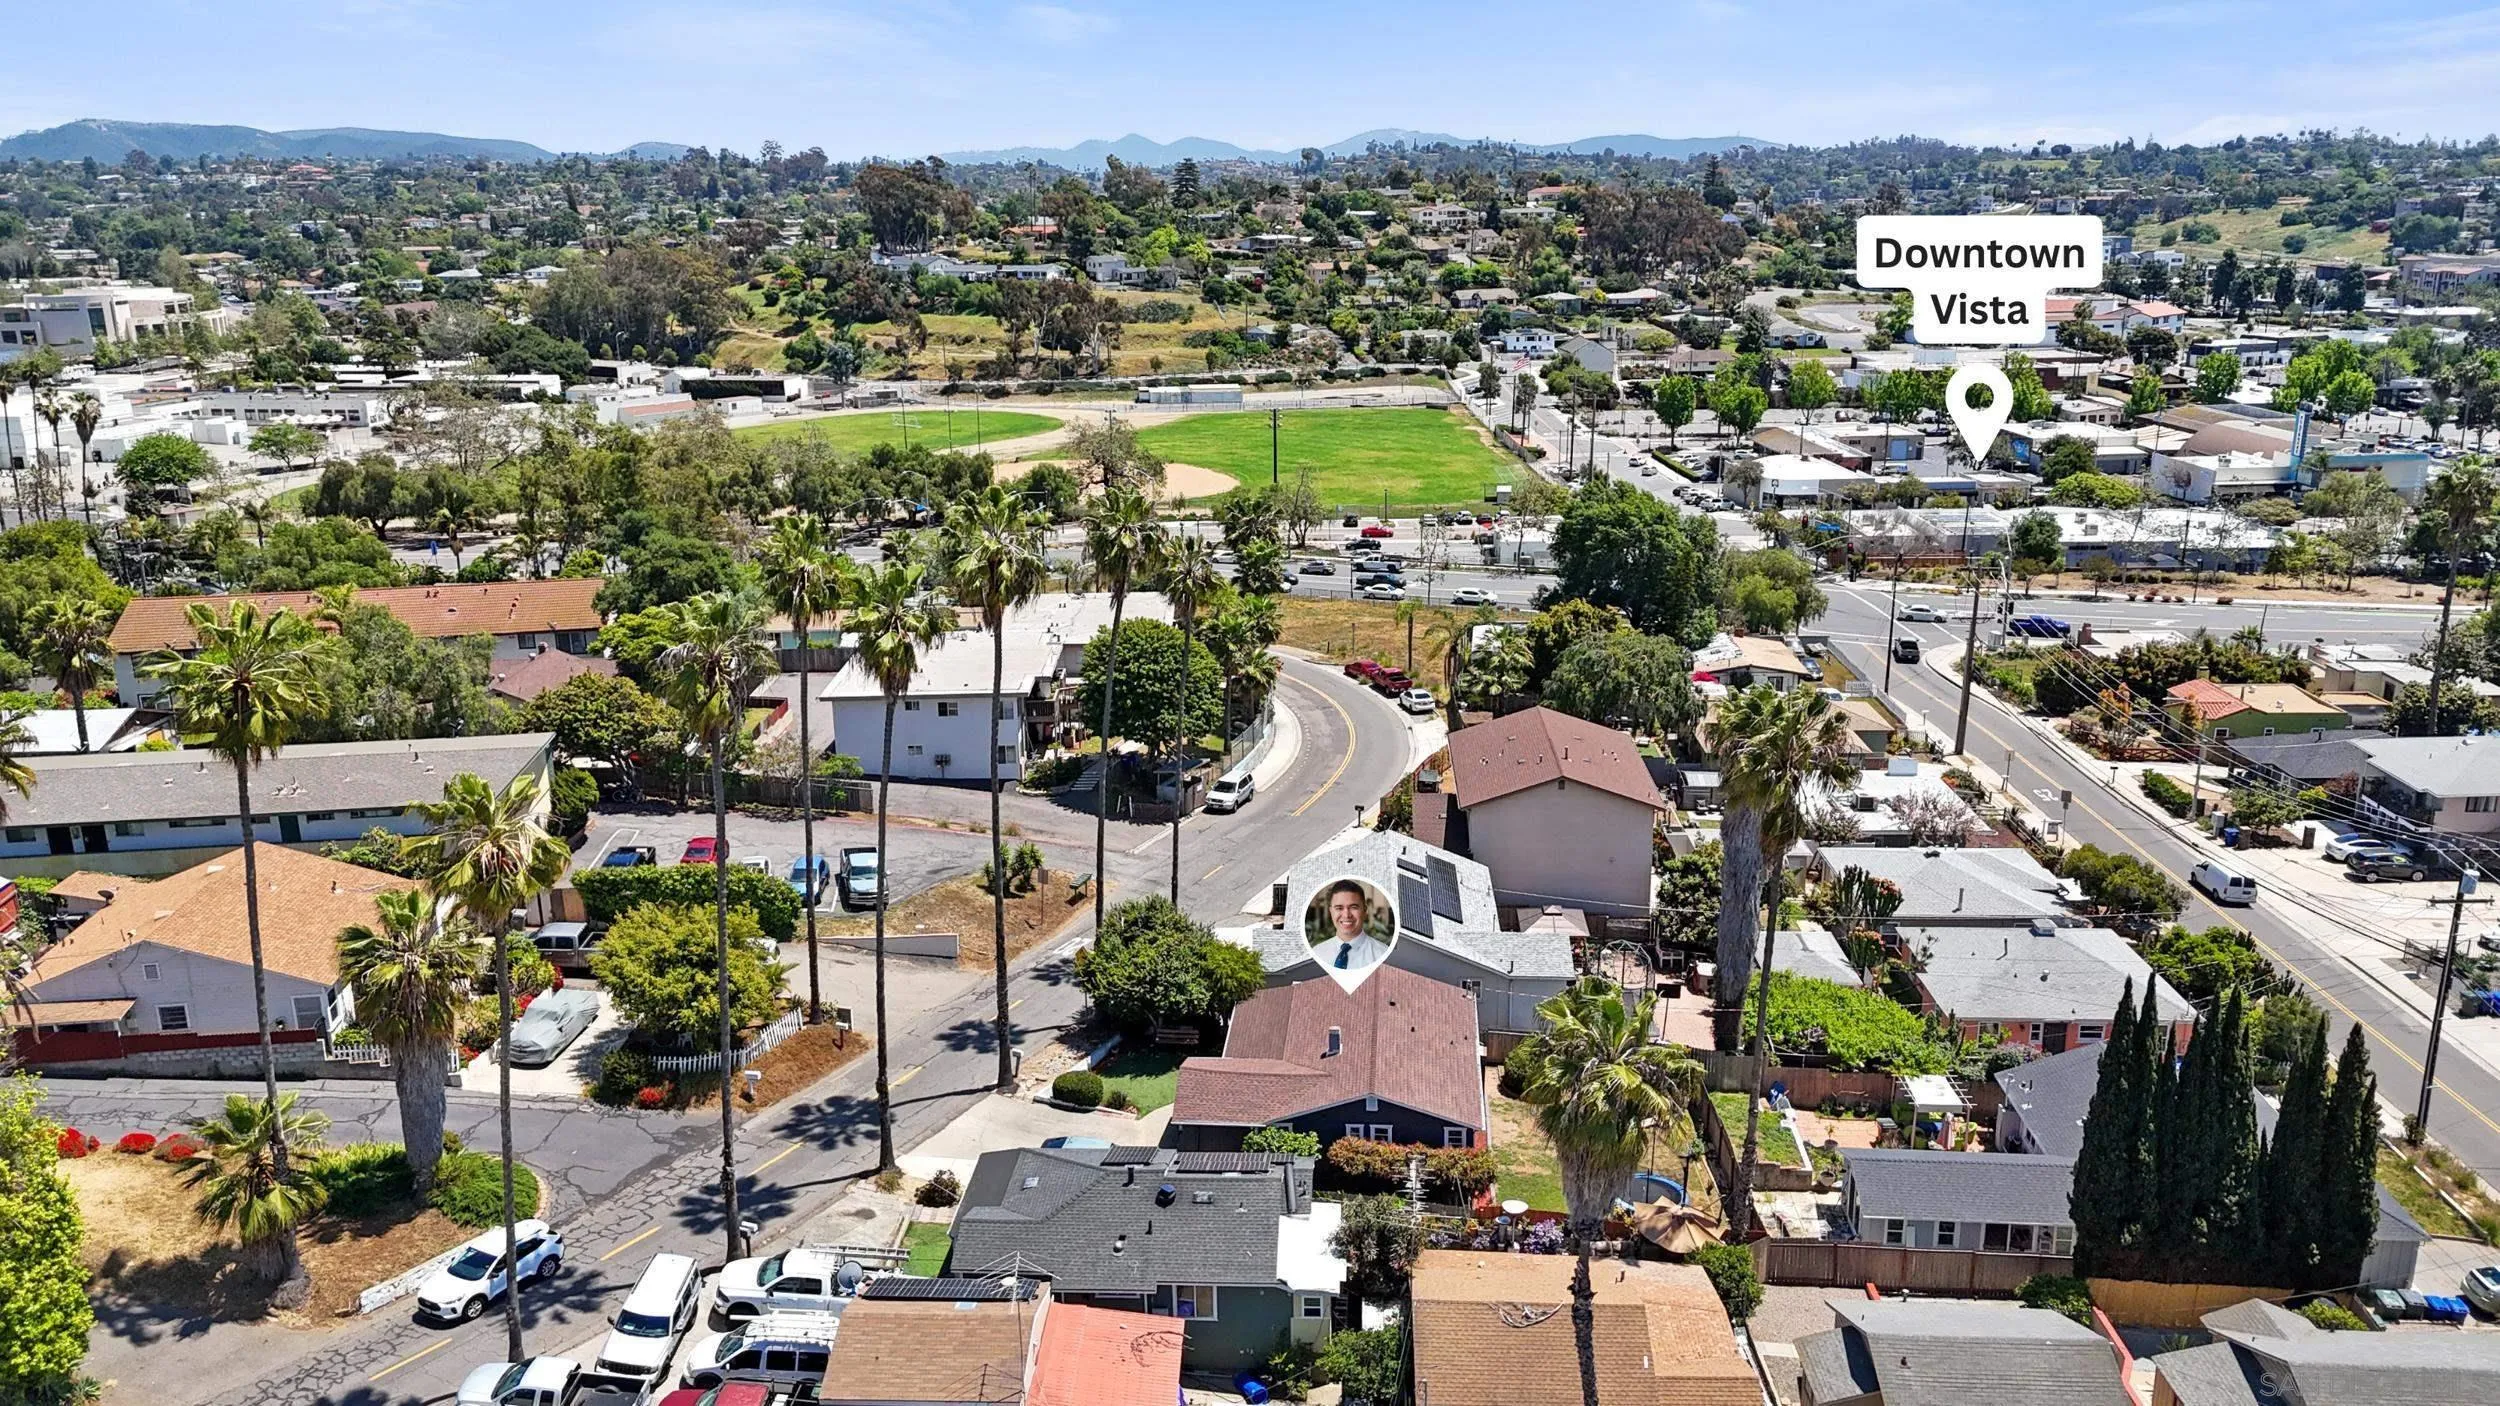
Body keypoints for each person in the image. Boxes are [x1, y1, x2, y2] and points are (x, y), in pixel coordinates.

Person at [1310, 880, 1390, 975]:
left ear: (1365, 911)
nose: (1346, 915)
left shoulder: (1383, 955)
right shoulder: (1317, 953)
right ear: (1331, 911)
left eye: (1353, 907)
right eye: (1339, 908)